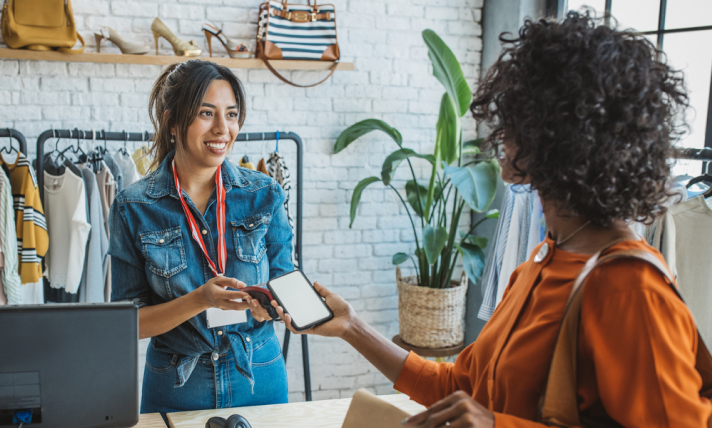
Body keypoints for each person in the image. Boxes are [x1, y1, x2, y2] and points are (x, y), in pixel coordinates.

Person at [272, 12, 712, 427]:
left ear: (558, 136)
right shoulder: (543, 261)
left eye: (515, 119)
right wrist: (352, 327)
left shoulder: (628, 286)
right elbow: (459, 388)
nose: (500, 133)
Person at [109, 60, 293, 414]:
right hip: (177, 385)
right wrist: (199, 300)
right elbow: (128, 325)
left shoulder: (265, 193)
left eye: (232, 114)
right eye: (207, 113)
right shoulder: (131, 207)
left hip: (260, 375)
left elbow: (285, 279)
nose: (223, 129)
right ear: (173, 122)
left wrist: (277, 308)